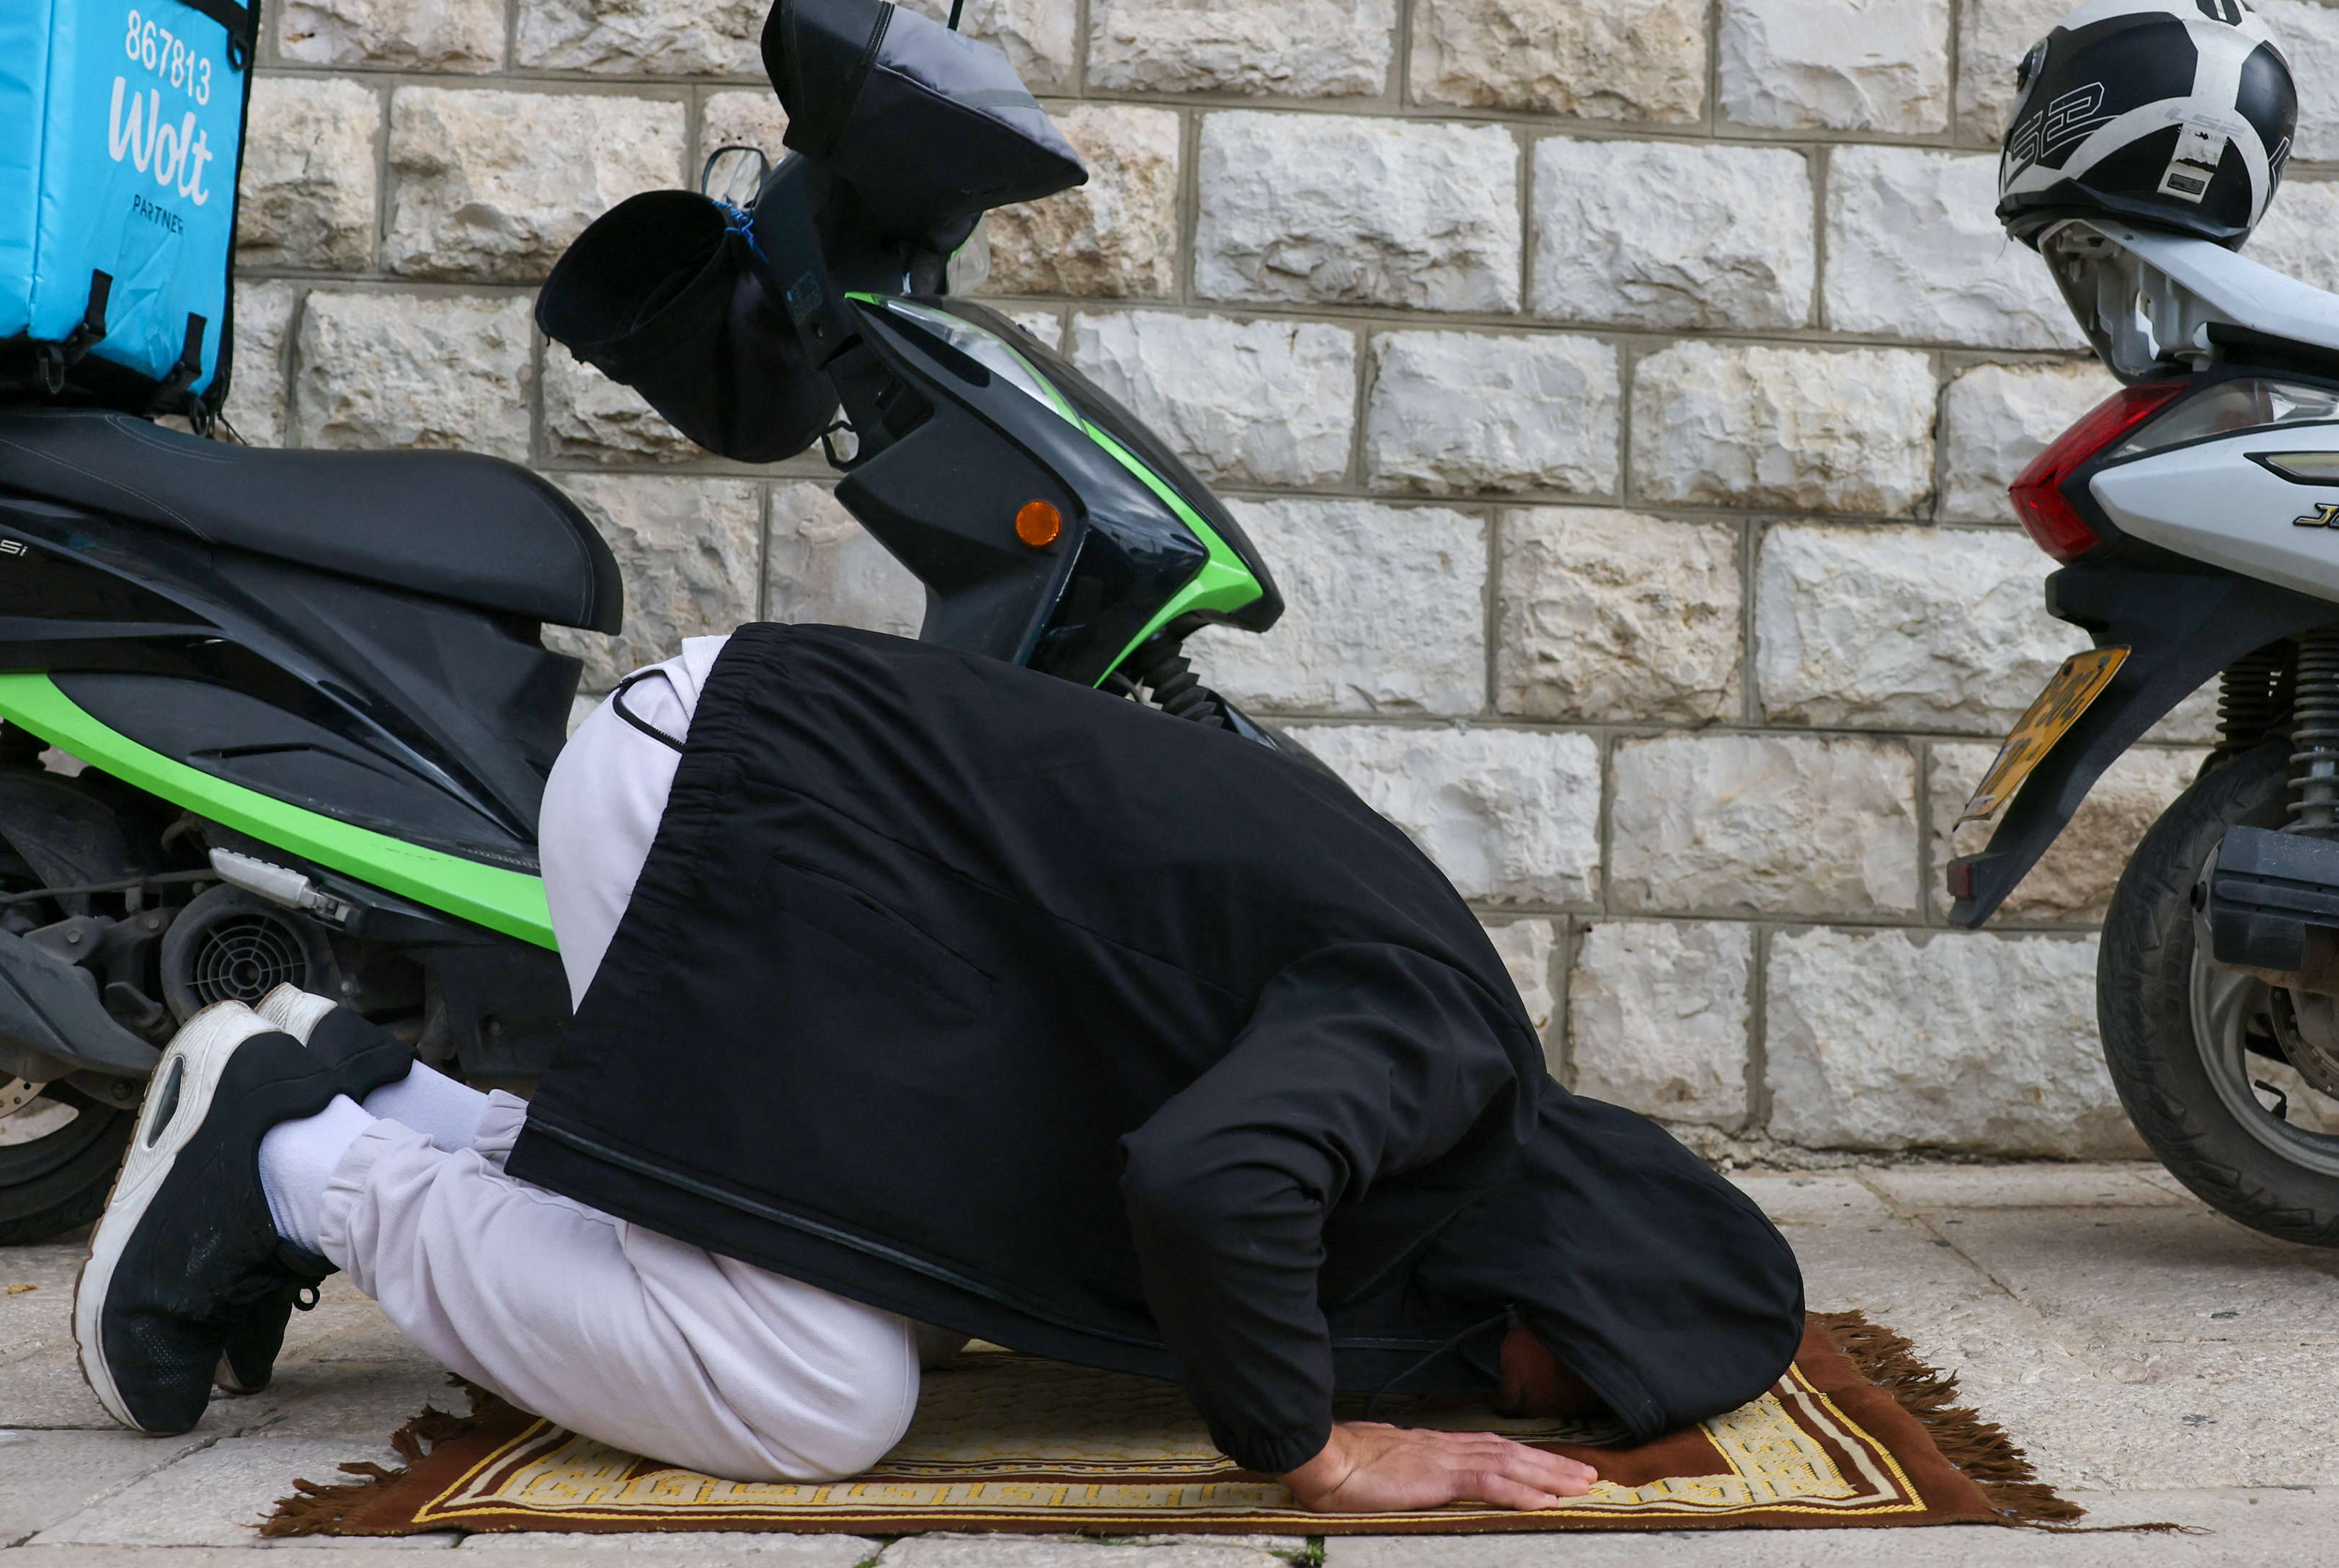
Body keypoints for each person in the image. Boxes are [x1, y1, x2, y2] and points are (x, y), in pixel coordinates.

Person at [74, 623, 1807, 1513]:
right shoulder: (1449, 1052)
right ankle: (296, 1176)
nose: (1496, 1404)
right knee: (817, 1390)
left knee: (904, 1296)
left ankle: (365, 1093)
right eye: (1543, 1386)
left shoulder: (1452, 1075)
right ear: (1564, 1277)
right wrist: (1316, 1452)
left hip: (775, 813)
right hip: (740, 817)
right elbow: (1211, 1183)